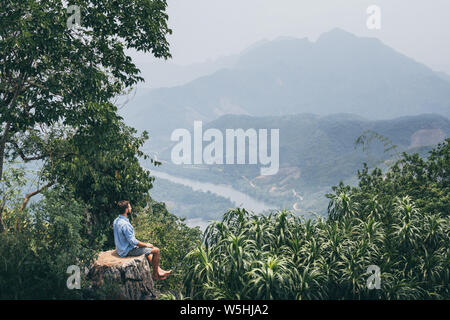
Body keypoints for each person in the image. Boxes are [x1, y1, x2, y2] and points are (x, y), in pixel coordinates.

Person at [113, 200, 172, 280]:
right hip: (127, 251)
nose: (131, 208)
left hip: (121, 248)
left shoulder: (116, 221)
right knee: (156, 250)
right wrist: (146, 244)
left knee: (148, 250)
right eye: (130, 207)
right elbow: (133, 241)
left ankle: (159, 270)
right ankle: (155, 275)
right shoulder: (125, 224)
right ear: (126, 210)